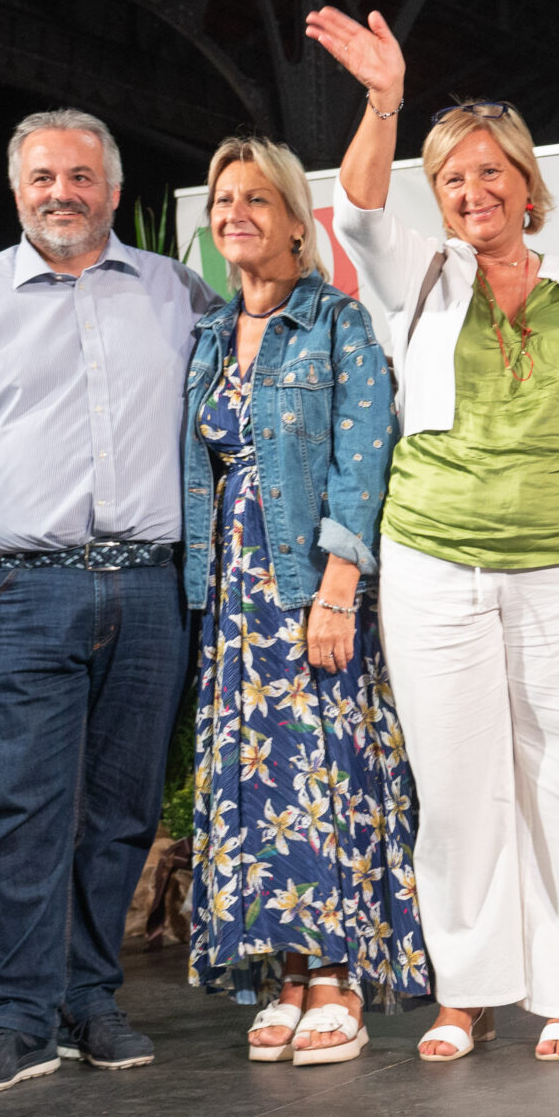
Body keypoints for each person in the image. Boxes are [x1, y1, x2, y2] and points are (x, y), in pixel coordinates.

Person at [305, 7, 559, 1064]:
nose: (472, 192)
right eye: (450, 179)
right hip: (436, 559)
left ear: (527, 187)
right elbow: (354, 205)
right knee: (455, 787)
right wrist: (384, 102)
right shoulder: (421, 276)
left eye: (490, 173)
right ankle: (469, 989)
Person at [0, 108, 218, 1095]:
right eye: (42, 177)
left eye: (81, 175)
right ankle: (23, 1016)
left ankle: (92, 997)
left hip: (152, 587)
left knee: (120, 809)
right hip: (21, 589)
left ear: (114, 192)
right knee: (24, 807)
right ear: (16, 189)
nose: (61, 191)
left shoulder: (177, 291)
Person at [181, 133, 428, 1063]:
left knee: (321, 778)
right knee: (255, 784)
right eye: (222, 199)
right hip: (230, 602)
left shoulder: (336, 322)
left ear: (296, 223)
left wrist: (336, 589)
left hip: (307, 590)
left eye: (256, 198)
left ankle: (337, 976)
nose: (235, 212)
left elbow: (364, 460)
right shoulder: (207, 335)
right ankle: (285, 972)